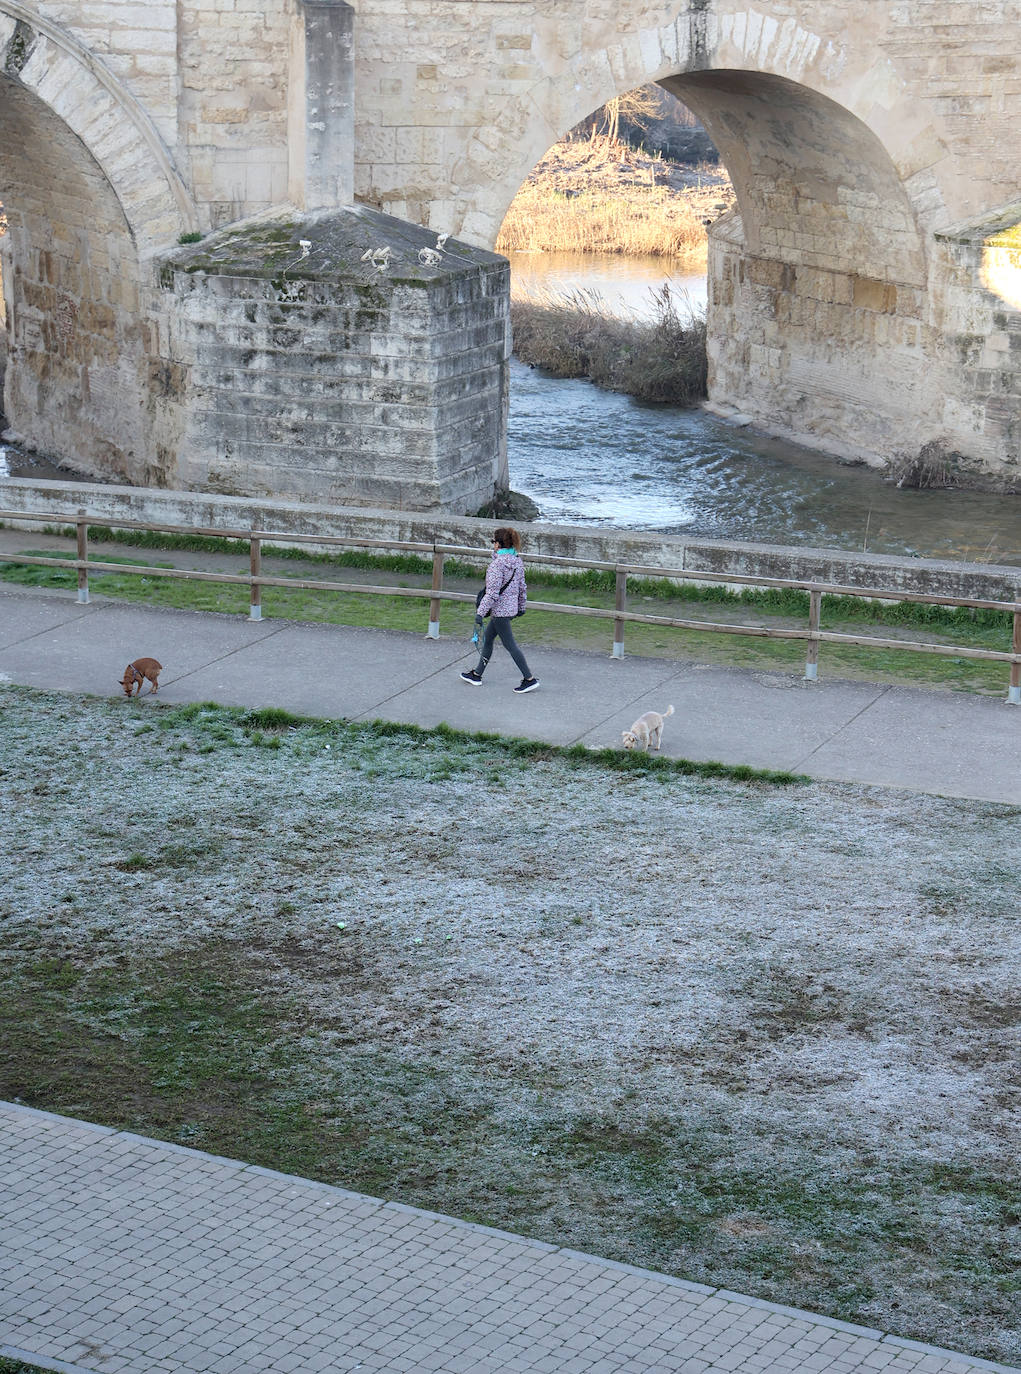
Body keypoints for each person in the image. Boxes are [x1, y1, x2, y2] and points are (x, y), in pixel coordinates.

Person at [460, 527, 540, 693]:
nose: (493, 545)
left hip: (499, 612)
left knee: (510, 645)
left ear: (498, 544)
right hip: (509, 610)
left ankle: (529, 679)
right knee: (488, 640)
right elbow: (522, 588)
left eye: (494, 542)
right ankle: (477, 674)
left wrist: (479, 613)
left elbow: (492, 593)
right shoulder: (517, 561)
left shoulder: (497, 565)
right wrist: (521, 607)